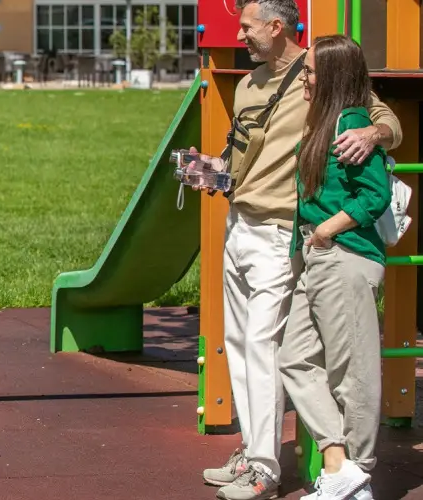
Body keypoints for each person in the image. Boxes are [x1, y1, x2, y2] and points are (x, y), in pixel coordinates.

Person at [191, 1, 403, 499]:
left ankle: (272, 468)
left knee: (269, 345)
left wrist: (372, 135)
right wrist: (215, 170)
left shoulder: (324, 71)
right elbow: (244, 156)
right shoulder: (248, 84)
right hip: (242, 219)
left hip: (290, 229)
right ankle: (254, 450)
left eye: (246, 26)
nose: (238, 34)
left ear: (276, 25)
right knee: (243, 345)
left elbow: (385, 120)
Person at [277, 34, 389, 500]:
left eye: (310, 72)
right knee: (294, 357)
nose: (304, 78)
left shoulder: (351, 121)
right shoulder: (326, 118)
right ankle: (341, 464)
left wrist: (326, 230)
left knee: (352, 371)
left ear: (333, 76)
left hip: (342, 255)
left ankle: (357, 471)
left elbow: (375, 193)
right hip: (318, 256)